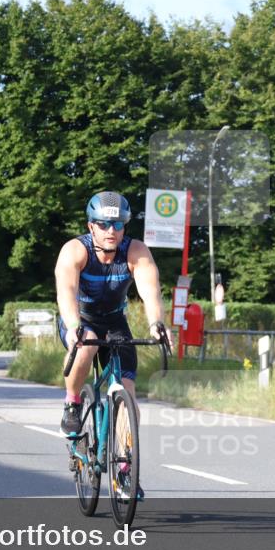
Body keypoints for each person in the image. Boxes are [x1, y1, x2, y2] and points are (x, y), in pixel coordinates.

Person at [54, 191, 169, 499]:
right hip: (80, 319)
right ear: (91, 226)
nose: (111, 231)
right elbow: (65, 291)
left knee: (127, 393)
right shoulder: (75, 250)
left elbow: (150, 291)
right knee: (87, 343)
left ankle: (123, 471)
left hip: (116, 323)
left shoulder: (136, 251)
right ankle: (72, 403)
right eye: (104, 224)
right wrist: (75, 326)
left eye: (118, 225)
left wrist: (157, 324)